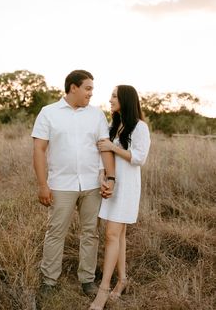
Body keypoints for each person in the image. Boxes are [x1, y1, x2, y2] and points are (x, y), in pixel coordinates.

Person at [31, 70, 115, 297]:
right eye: (88, 88)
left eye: (92, 89)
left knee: (91, 233)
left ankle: (87, 280)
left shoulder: (96, 115)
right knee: (55, 232)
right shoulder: (48, 113)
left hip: (92, 184)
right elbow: (39, 149)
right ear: (73, 87)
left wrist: (109, 177)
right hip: (60, 184)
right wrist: (42, 185)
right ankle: (49, 281)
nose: (91, 93)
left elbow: (104, 145)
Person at [89, 85, 151, 310]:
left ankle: (104, 290)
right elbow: (102, 155)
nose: (110, 99)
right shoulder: (113, 126)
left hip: (127, 188)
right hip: (111, 185)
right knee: (119, 236)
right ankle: (122, 280)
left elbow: (139, 158)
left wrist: (113, 149)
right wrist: (101, 176)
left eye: (114, 96)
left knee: (111, 235)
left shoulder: (139, 127)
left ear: (125, 99)